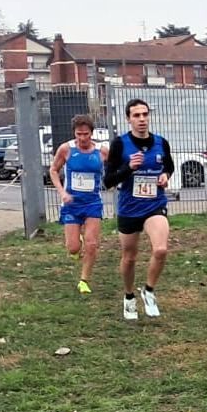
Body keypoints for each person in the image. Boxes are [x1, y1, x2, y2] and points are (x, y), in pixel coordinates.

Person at [104, 99, 174, 320]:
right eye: (136, 115)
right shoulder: (120, 144)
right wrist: (129, 167)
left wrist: (166, 176)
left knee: (160, 250)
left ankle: (149, 291)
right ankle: (128, 296)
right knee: (130, 257)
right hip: (129, 208)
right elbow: (108, 181)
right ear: (128, 119)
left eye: (145, 114)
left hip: (154, 205)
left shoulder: (161, 142)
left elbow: (169, 166)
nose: (142, 119)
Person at [49, 114, 108, 294]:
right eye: (79, 134)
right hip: (72, 204)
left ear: (92, 133)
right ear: (74, 133)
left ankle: (84, 280)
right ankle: (75, 246)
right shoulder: (66, 149)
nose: (82, 138)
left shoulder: (102, 151)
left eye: (86, 134)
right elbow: (53, 170)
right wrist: (62, 192)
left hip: (93, 203)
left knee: (91, 244)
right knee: (73, 247)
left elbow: (116, 168)